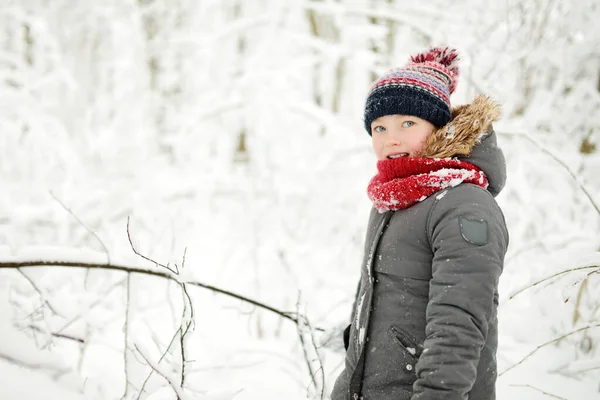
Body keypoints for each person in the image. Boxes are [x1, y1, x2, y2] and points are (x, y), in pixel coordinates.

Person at [330, 47, 509, 400]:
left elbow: (458, 324)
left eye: (407, 123)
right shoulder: (394, 198)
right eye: (379, 127)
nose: (390, 138)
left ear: (439, 128)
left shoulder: (463, 205)